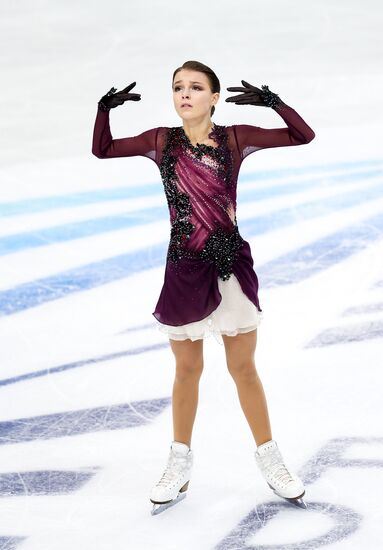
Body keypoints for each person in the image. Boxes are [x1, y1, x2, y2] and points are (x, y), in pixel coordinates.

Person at [92, 60, 315, 514]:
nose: (185, 94)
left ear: (215, 97)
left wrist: (276, 104)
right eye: (178, 87)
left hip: (230, 264)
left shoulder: (235, 139)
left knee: (243, 369)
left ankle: (271, 459)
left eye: (196, 87)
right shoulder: (161, 141)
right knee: (187, 371)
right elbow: (103, 150)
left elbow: (302, 136)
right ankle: (179, 463)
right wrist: (104, 111)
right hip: (184, 267)